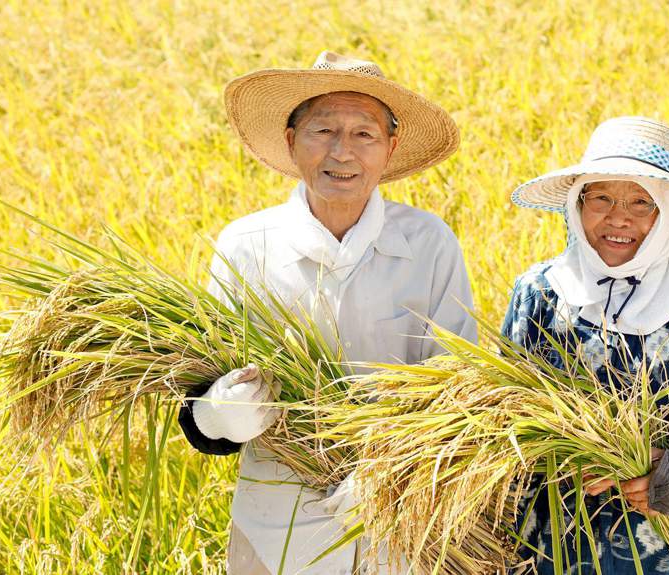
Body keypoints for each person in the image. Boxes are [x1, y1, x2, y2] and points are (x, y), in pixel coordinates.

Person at [176, 51, 477, 575]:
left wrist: (388, 473)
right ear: (292, 141)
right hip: (277, 531)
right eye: (323, 129)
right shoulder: (247, 245)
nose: (343, 150)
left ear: (390, 149)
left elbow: (457, 390)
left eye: (364, 133)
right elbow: (198, 392)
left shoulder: (430, 244)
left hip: (402, 525)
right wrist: (219, 413)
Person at [502, 117, 669, 574]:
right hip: (546, 543)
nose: (619, 217)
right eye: (601, 197)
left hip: (655, 548)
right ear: (576, 205)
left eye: (642, 203)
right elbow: (501, 405)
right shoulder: (540, 291)